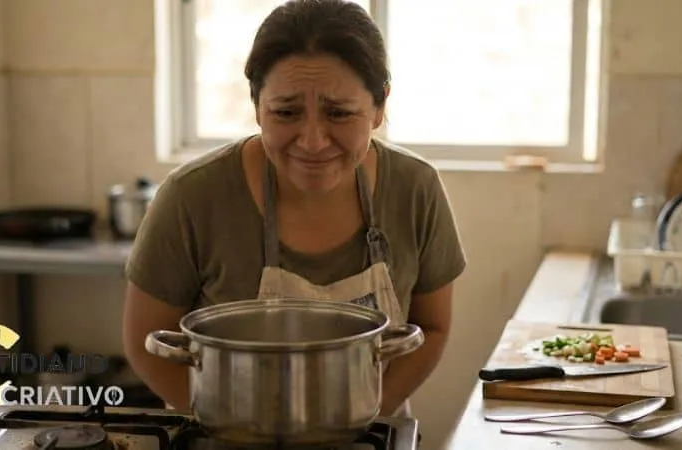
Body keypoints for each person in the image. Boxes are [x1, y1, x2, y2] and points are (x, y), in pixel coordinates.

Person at [122, 0, 467, 418]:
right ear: (256, 106)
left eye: (338, 113)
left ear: (379, 108)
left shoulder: (416, 190)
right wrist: (234, 428)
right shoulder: (191, 197)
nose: (312, 141)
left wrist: (364, 419)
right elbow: (146, 341)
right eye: (285, 112)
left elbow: (432, 328)